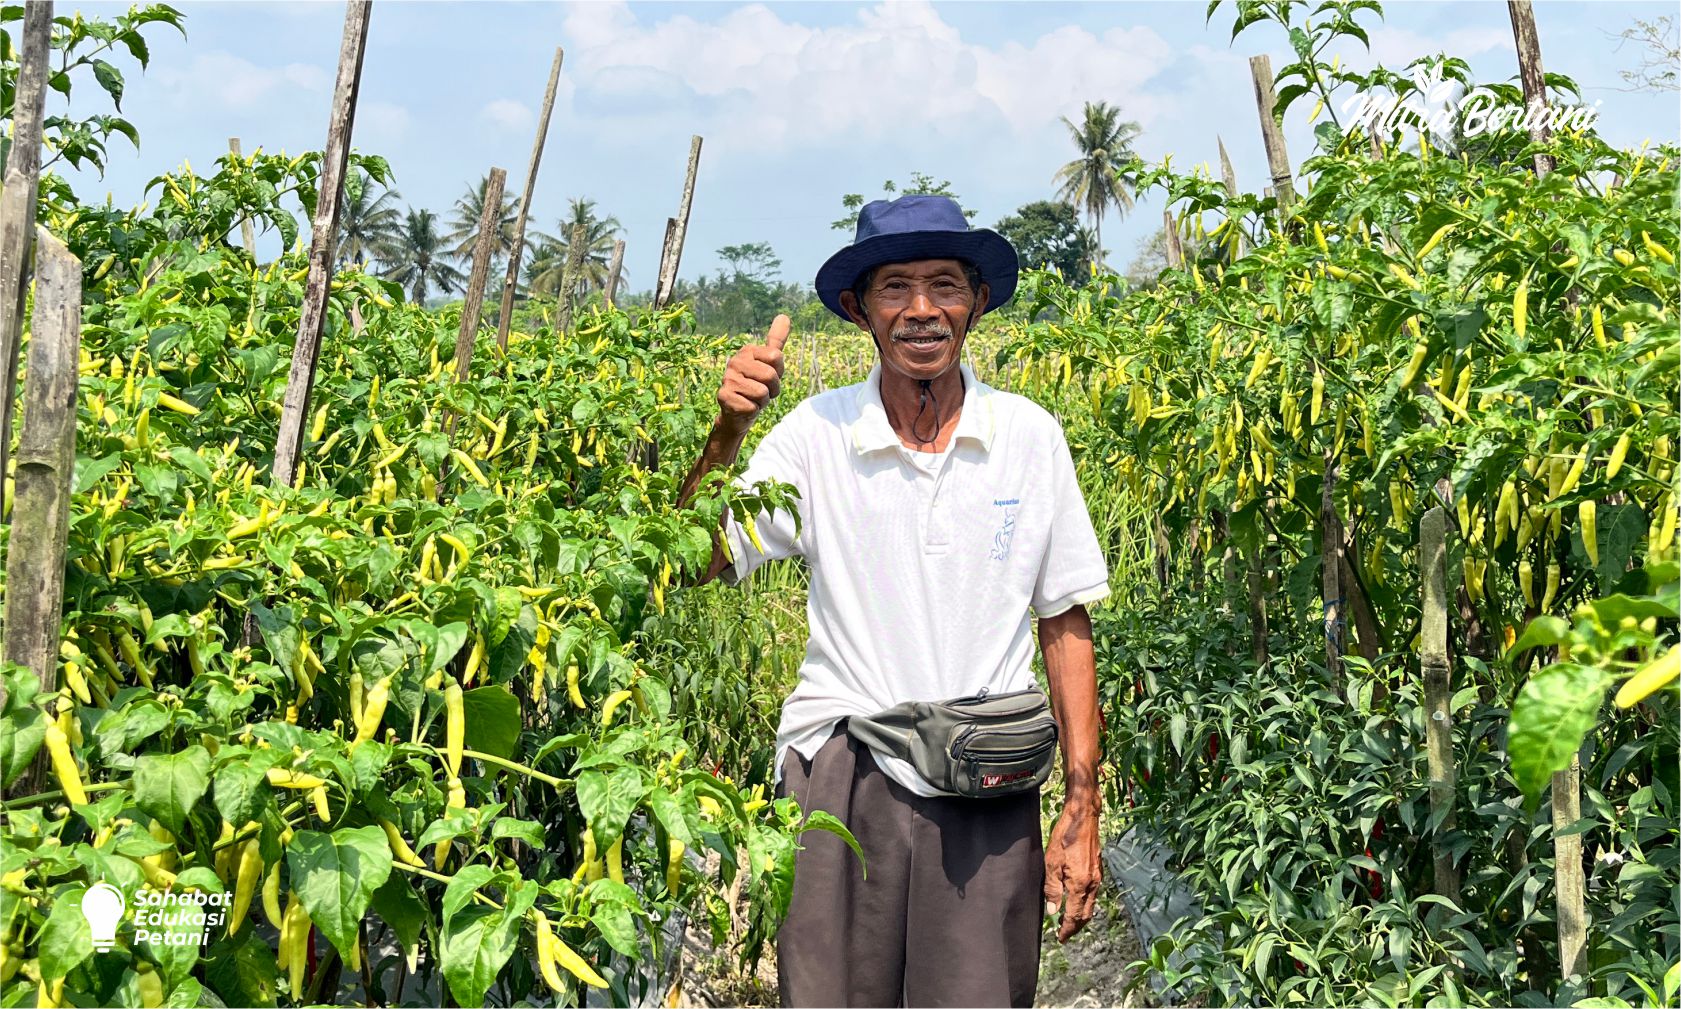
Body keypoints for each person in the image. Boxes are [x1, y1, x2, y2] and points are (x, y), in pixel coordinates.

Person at [677, 194, 1109, 1007]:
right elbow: (696, 560)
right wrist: (726, 432)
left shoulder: (1026, 435)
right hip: (845, 773)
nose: (921, 310)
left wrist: (1081, 806)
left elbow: (1063, 620)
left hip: (986, 776)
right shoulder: (815, 435)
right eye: (894, 288)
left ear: (975, 302)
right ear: (858, 309)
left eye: (943, 285)